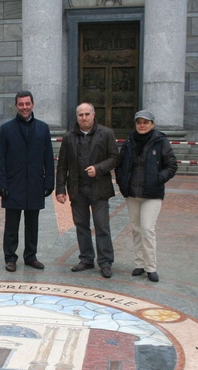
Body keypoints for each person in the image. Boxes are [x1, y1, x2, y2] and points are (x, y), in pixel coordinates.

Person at [56, 103, 120, 278]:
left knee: (102, 226)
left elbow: (115, 158)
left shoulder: (106, 133)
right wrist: (60, 189)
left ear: (93, 115)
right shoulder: (69, 137)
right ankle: (86, 258)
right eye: (80, 115)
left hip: (99, 188)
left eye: (87, 114)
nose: (84, 118)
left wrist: (98, 168)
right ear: (77, 117)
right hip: (78, 189)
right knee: (81, 226)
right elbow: (62, 165)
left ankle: (105, 262)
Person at [0, 91, 54, 272]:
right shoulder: (6, 129)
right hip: (14, 184)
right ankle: (10, 258)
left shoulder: (43, 128)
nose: (24, 107)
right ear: (16, 106)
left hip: (35, 183)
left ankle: (30, 256)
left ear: (33, 104)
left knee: (32, 224)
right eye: (21, 104)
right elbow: (1, 159)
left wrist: (49, 182)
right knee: (11, 225)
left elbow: (48, 158)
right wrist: (2, 184)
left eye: (27, 104)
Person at [115, 110, 177, 282]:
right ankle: (140, 263)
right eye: (139, 122)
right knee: (136, 229)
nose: (142, 125)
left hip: (152, 194)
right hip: (133, 193)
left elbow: (172, 165)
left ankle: (151, 267)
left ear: (152, 124)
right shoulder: (129, 142)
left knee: (147, 229)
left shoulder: (160, 141)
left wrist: (159, 179)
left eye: (145, 122)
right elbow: (120, 164)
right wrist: (122, 182)